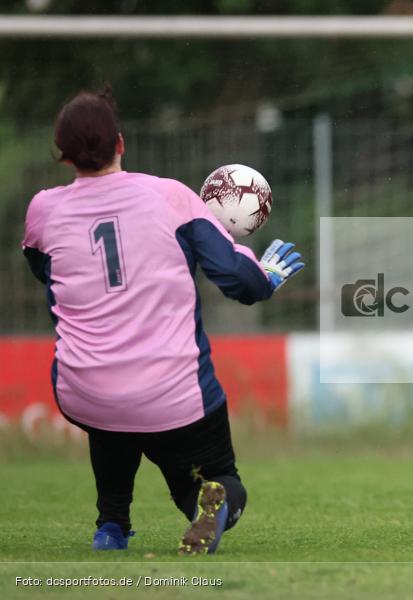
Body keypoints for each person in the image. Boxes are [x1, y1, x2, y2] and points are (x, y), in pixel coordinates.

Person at [21, 88, 305, 554]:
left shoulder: (43, 210)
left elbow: (45, 272)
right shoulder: (170, 196)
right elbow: (238, 280)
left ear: (62, 154)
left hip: (84, 390)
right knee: (218, 479)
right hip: (173, 397)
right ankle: (203, 503)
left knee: (110, 408)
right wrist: (267, 278)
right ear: (120, 142)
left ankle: (111, 526)